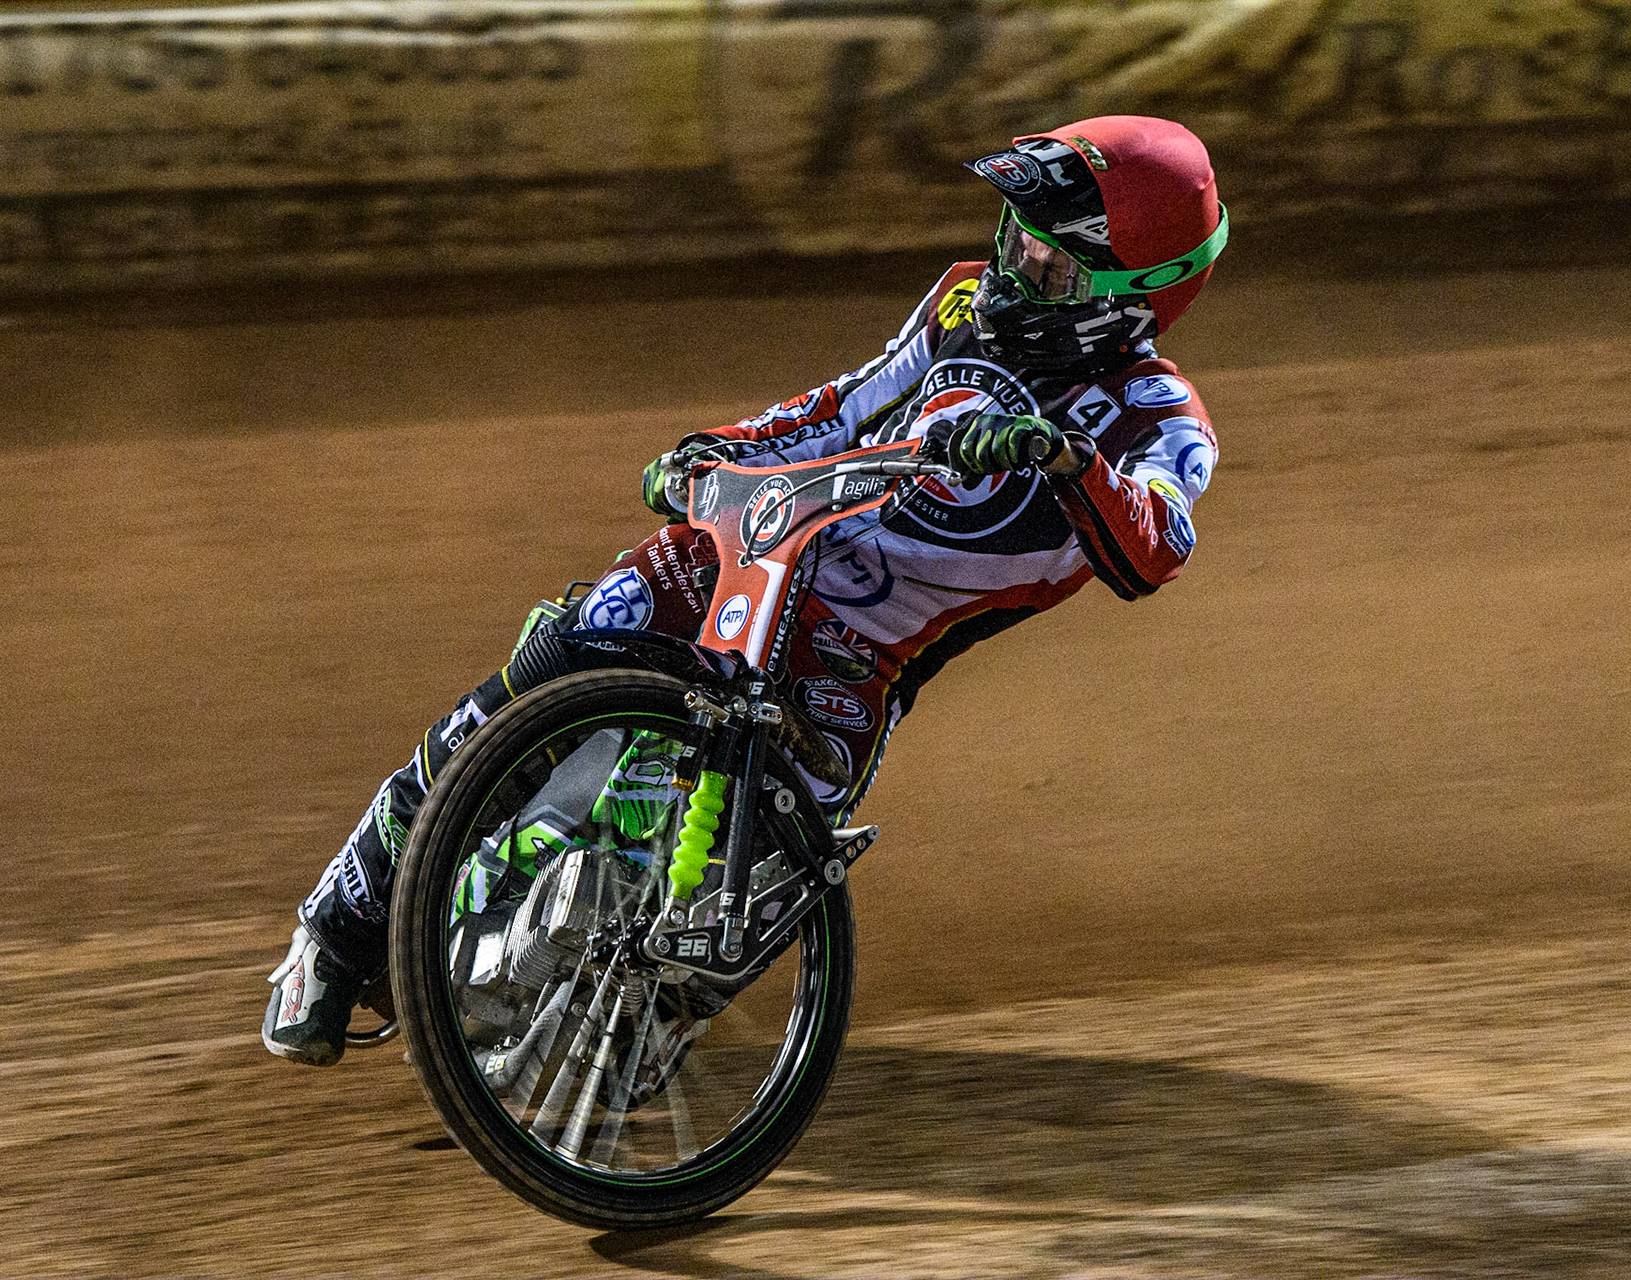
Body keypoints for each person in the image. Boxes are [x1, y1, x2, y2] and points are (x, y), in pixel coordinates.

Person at [264, 114, 1227, 1065]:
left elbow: (1157, 546)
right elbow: (842, 407)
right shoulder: (958, 305)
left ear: (1136, 296)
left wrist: (1064, 459)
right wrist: (717, 450)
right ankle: (338, 928)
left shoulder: (1160, 419)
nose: (1015, 271)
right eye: (1015, 239)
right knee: (560, 654)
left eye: (1051, 264)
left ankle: (652, 1025)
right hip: (758, 555)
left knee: (776, 865)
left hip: (859, 655)